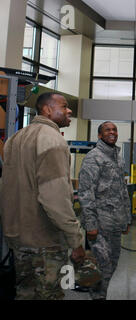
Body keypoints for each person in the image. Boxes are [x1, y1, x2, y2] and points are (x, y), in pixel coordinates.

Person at [0, 92, 85, 300]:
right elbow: (55, 197)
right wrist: (75, 239)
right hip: (45, 241)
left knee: (24, 292)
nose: (69, 110)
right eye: (64, 106)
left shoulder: (14, 139)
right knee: (50, 294)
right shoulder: (53, 141)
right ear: (47, 110)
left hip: (18, 237)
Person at [78, 121, 131, 300]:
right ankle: (98, 297)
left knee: (112, 264)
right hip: (99, 224)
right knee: (101, 265)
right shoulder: (94, 157)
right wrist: (91, 225)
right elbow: (85, 193)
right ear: (99, 135)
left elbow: (123, 191)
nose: (112, 132)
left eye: (114, 129)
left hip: (115, 223)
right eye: (107, 130)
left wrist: (127, 219)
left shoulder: (117, 156)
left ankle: (100, 294)